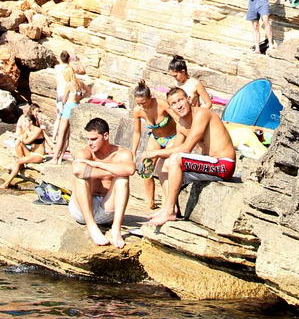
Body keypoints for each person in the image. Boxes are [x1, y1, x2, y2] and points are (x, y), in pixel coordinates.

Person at [146, 87, 236, 228]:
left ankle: (169, 210)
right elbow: (174, 149)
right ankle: (169, 207)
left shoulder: (202, 114)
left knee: (176, 159)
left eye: (180, 100)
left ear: (188, 99)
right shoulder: (181, 124)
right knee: (162, 164)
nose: (178, 105)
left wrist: (155, 153)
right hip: (209, 166)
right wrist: (155, 157)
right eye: (174, 103)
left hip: (223, 165)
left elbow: (186, 148)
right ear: (170, 108)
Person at [69, 117, 134, 249]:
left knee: (122, 179)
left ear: (105, 136)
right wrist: (113, 171)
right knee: (80, 178)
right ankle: (92, 227)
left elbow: (130, 170)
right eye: (88, 139)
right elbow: (77, 170)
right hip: (81, 210)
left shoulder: (121, 154)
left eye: (94, 139)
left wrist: (97, 164)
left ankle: (116, 229)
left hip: (106, 210)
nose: (90, 143)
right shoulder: (85, 153)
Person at [129, 81, 174, 211]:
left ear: (150, 97)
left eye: (144, 102)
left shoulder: (161, 104)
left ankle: (168, 200)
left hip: (172, 136)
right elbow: (137, 132)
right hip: (156, 138)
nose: (142, 106)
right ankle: (150, 200)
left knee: (167, 166)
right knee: (147, 166)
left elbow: (178, 119)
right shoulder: (138, 111)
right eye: (138, 103)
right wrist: (133, 152)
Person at [0, 106, 47, 190]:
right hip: (31, 153)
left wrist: (21, 137)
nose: (24, 124)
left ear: (30, 122)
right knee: (19, 143)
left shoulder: (37, 130)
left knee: (18, 161)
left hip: (38, 156)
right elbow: (21, 139)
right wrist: (21, 136)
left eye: (25, 122)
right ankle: (21, 163)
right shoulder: (28, 130)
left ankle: (6, 184)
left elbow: (27, 141)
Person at [51, 51, 87, 163]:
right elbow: (87, 92)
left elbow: (64, 99)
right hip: (75, 107)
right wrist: (79, 98)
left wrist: (64, 102)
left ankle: (55, 158)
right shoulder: (79, 83)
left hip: (68, 107)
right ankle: (61, 157)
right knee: (67, 134)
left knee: (61, 134)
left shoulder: (69, 84)